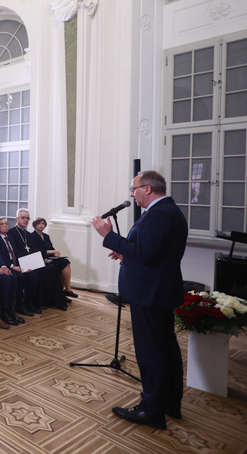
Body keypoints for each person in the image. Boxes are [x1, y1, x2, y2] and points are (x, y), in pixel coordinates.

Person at [92, 171, 187, 430]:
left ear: (147, 188)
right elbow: (154, 253)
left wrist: (109, 236)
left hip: (150, 292)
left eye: (133, 189)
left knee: (151, 352)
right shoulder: (168, 211)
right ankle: (170, 402)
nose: (131, 194)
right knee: (166, 348)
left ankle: (151, 410)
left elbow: (145, 253)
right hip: (158, 288)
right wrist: (125, 253)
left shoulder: (158, 214)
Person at [30, 217, 77, 298]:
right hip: (40, 259)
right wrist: (53, 252)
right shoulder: (32, 236)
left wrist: (55, 253)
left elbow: (51, 248)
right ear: (35, 225)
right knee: (55, 267)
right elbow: (38, 251)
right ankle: (59, 293)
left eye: (43, 224)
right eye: (39, 223)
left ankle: (67, 289)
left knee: (65, 262)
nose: (41, 225)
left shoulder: (46, 236)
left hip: (49, 257)